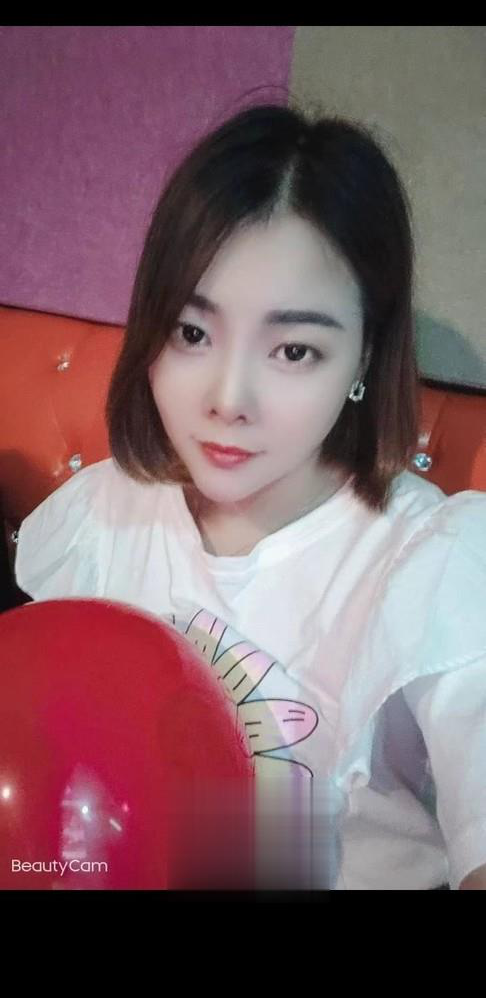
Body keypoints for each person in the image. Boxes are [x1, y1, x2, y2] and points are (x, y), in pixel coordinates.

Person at [15, 103, 486, 890]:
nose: (228, 399)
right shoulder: (105, 514)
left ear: (364, 354)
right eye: (192, 333)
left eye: (294, 350)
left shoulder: (433, 563)